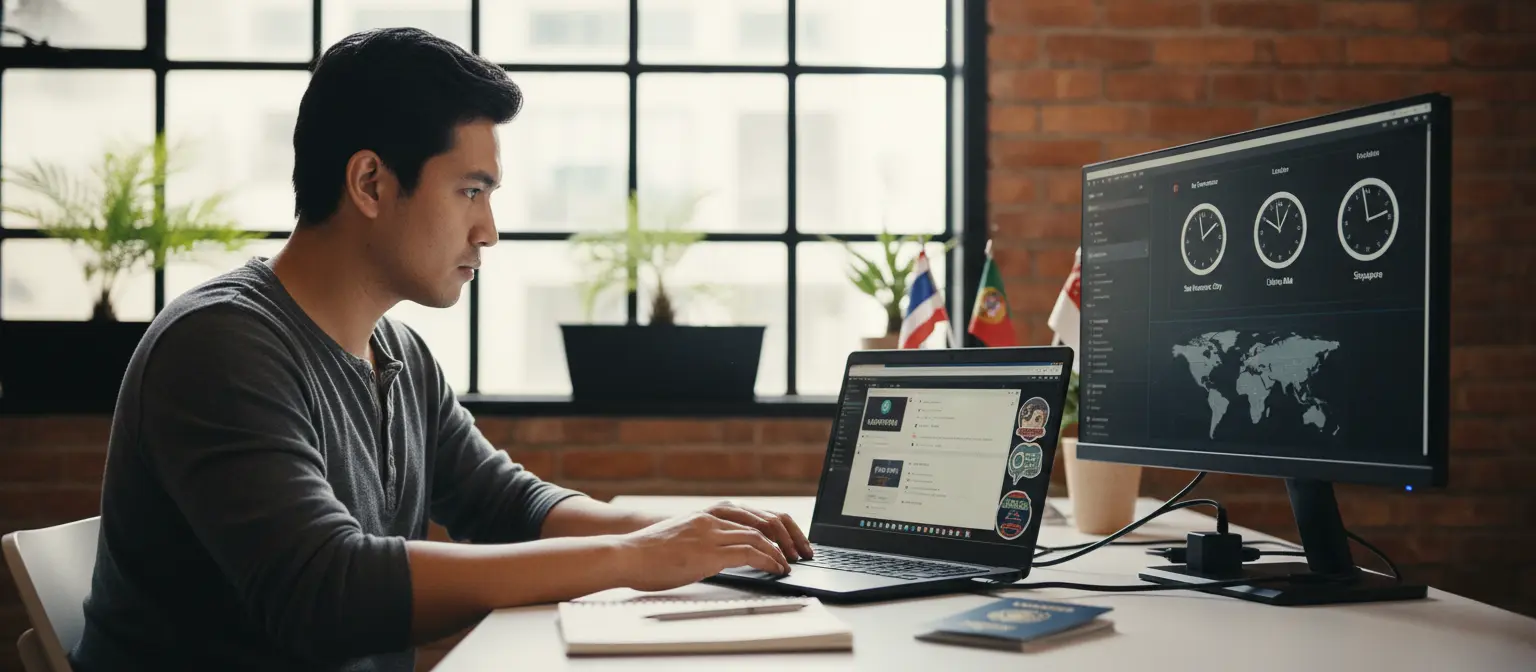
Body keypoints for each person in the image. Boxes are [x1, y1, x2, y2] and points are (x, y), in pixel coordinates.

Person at [69, 28, 810, 672]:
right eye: (471, 191)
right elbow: (327, 591)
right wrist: (633, 559)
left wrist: (689, 534)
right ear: (370, 182)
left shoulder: (399, 353)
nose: (489, 229)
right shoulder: (220, 346)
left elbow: (507, 504)